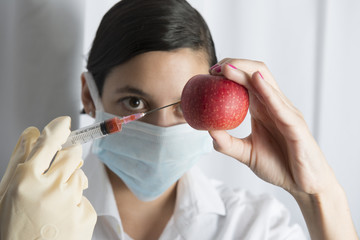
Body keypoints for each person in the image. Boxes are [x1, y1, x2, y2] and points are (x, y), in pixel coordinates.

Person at [0, 0, 358, 239]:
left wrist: (317, 196)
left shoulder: (251, 226)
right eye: (134, 100)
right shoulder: (30, 217)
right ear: (87, 96)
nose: (160, 129)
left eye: (184, 105)